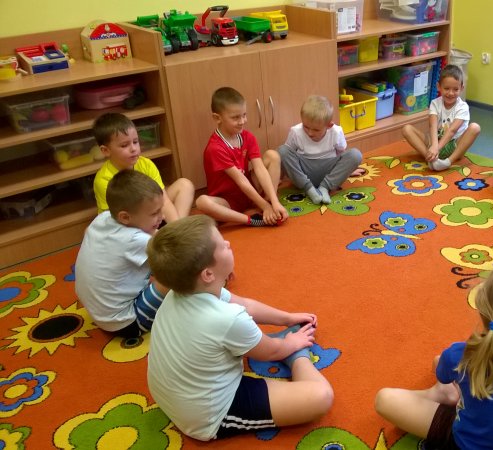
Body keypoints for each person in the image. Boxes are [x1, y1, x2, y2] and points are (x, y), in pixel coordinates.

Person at [146, 215, 333, 441]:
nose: (228, 243)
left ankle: (280, 344)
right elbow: (271, 352)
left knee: (246, 339)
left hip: (177, 395)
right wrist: (291, 344)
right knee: (321, 396)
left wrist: (287, 318)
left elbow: (247, 305)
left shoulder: (182, 292)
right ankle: (297, 357)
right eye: (222, 245)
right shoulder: (227, 318)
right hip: (209, 414)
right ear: (208, 274)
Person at [374, 263, 493, 450]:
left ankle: (440, 394)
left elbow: (442, 375)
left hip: (470, 443)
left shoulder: (458, 355)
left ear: (480, 305)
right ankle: (449, 393)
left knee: (384, 399)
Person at [76, 170, 168, 337]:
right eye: (154, 213)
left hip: (98, 314)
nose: (162, 216)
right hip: (127, 323)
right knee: (174, 277)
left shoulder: (102, 218)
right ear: (125, 217)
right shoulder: (135, 240)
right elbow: (175, 262)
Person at [195, 87, 288, 227]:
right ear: (217, 118)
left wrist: (274, 202)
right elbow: (240, 180)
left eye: (244, 115)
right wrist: (264, 206)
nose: (242, 121)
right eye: (235, 117)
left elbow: (260, 169)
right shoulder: (215, 148)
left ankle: (270, 204)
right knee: (202, 202)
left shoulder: (247, 137)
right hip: (228, 201)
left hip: (249, 191)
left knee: (272, 156)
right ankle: (250, 220)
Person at [92, 113, 194, 223]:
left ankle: (177, 228)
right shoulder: (104, 180)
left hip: (152, 211)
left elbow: (163, 199)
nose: (133, 149)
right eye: (124, 145)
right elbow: (117, 219)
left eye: (135, 142)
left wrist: (177, 226)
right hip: (127, 222)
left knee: (185, 185)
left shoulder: (146, 164)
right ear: (106, 150)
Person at [278, 95, 363, 205]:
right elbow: (287, 156)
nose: (310, 133)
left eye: (316, 130)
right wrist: (279, 176)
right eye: (306, 127)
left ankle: (324, 188)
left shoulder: (336, 132)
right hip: (304, 172)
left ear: (329, 125)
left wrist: (346, 171)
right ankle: (310, 189)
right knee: (282, 151)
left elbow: (341, 153)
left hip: (328, 172)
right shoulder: (296, 131)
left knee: (356, 154)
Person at [401, 64, 481, 171]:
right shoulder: (435, 103)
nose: (451, 93)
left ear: (461, 88)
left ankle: (448, 162)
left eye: (455, 89)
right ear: (439, 87)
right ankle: (430, 158)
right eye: (446, 88)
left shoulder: (463, 107)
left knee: (475, 127)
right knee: (406, 129)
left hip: (454, 145)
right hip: (434, 142)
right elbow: (432, 126)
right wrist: (434, 146)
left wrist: (437, 148)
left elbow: (452, 130)